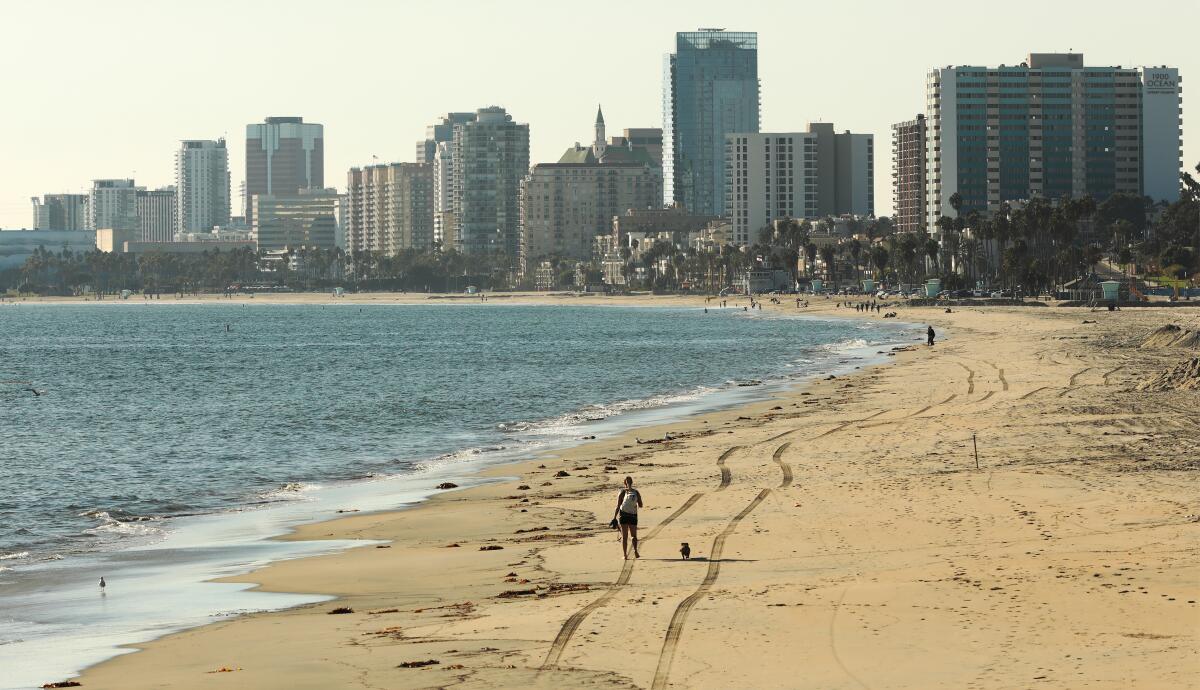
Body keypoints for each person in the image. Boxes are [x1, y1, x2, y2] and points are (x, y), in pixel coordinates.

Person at [613, 476, 643, 559]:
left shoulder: (622, 492)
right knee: (633, 536)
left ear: (624, 483)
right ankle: (636, 551)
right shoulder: (636, 492)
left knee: (625, 537)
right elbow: (640, 505)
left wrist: (614, 517)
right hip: (633, 516)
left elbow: (618, 506)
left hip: (623, 516)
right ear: (632, 482)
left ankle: (625, 555)